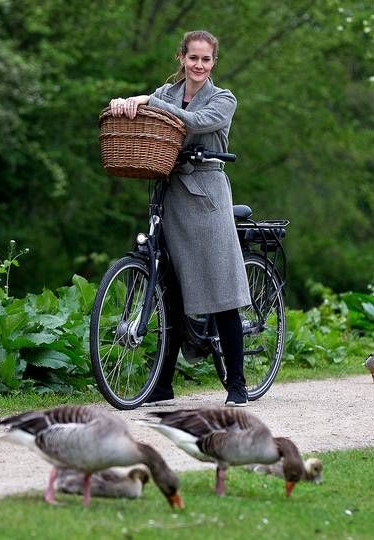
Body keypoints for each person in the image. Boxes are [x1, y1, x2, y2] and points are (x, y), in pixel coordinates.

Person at [108, 30, 252, 407]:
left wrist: (147, 100)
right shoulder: (166, 93)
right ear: (182, 58)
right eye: (193, 58)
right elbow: (151, 121)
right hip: (169, 195)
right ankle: (162, 383)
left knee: (221, 294)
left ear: (213, 63)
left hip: (207, 198)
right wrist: (129, 105)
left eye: (206, 60)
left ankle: (236, 384)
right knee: (168, 290)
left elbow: (194, 121)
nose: (199, 65)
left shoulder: (223, 99)